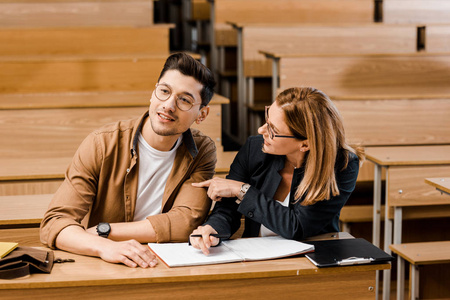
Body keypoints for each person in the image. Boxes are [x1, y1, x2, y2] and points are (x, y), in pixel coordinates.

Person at [40, 52, 217, 267]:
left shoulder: (202, 151)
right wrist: (105, 246)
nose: (169, 105)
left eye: (185, 100)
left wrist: (105, 231)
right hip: (103, 263)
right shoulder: (101, 144)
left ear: (202, 114)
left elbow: (185, 222)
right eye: (164, 91)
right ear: (153, 93)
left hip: (160, 263)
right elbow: (55, 222)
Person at [190, 87, 364, 255]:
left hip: (312, 257)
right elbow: (227, 208)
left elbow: (297, 227)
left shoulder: (342, 165)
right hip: (256, 255)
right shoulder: (254, 148)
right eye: (267, 120)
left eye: (273, 130)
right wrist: (212, 228)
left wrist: (242, 190)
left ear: (305, 144)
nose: (261, 130)